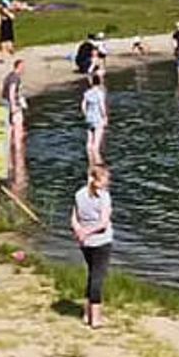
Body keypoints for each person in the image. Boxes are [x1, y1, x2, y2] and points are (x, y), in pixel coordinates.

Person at [70, 165, 113, 330]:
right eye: (106, 179)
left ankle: (86, 314)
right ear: (97, 179)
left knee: (91, 275)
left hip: (85, 243)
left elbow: (73, 218)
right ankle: (96, 318)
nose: (108, 182)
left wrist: (80, 232)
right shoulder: (104, 196)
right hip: (101, 242)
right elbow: (103, 223)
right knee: (97, 278)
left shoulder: (79, 194)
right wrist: (88, 232)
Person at [81, 72, 107, 165]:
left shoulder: (87, 93)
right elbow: (102, 106)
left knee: (89, 141)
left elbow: (83, 106)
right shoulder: (100, 93)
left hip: (89, 118)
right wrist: (105, 117)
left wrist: (86, 114)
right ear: (99, 82)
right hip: (98, 118)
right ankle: (96, 160)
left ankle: (90, 160)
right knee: (96, 143)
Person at [0, 58, 26, 147]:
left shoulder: (9, 76)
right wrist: (14, 105)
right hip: (12, 103)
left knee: (9, 124)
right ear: (19, 67)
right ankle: (18, 146)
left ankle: (9, 144)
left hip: (5, 102)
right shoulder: (15, 78)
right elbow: (12, 92)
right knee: (18, 124)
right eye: (23, 67)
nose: (24, 69)